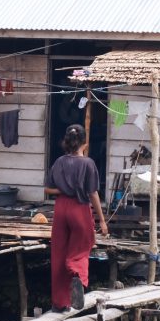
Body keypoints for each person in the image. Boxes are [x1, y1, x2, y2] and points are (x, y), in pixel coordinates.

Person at [45, 124, 108, 311]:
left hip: (60, 208)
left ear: (67, 142)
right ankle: (76, 273)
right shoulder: (88, 164)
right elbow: (93, 194)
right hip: (79, 208)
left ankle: (60, 303)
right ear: (84, 143)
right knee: (82, 246)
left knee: (58, 253)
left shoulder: (59, 162)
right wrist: (102, 220)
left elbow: (48, 189)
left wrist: (64, 190)